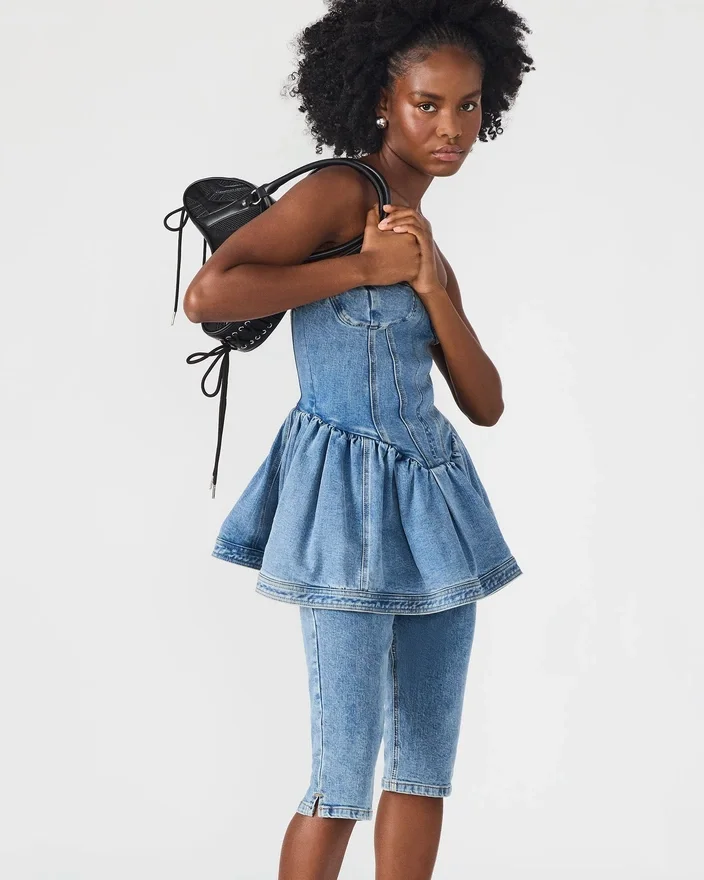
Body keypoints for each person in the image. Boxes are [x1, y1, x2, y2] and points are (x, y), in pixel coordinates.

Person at [184, 1, 534, 877]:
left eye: (468, 105)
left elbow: (485, 402)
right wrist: (362, 267)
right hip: (342, 509)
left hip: (436, 510)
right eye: (428, 103)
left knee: (422, 767)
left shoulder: (422, 234)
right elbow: (211, 293)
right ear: (383, 100)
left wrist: (431, 285)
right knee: (340, 775)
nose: (452, 127)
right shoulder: (342, 193)